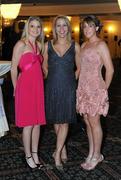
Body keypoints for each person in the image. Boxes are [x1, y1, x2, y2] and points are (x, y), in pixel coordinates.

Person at [43, 15, 81, 170]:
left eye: (64, 25)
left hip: (68, 87)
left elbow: (79, 68)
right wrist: (50, 78)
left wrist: (72, 81)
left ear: (68, 28)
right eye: (58, 25)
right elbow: (44, 66)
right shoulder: (47, 45)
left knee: (65, 120)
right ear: (54, 28)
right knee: (57, 120)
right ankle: (63, 147)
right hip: (52, 86)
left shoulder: (75, 45)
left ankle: (57, 153)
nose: (61, 29)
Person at [76, 15, 114, 171]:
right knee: (87, 121)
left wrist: (104, 88)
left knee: (94, 122)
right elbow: (81, 68)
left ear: (97, 28)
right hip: (83, 88)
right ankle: (91, 152)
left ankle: (97, 155)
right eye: (84, 27)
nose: (87, 29)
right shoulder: (84, 45)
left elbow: (110, 69)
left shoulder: (101, 45)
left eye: (90, 26)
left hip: (95, 89)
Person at [11, 16, 46, 169]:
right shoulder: (21, 44)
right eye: (32, 26)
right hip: (25, 88)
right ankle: (28, 155)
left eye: (38, 27)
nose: (35, 29)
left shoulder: (39, 45)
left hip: (38, 87)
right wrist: (15, 88)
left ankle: (35, 152)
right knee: (29, 124)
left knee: (38, 123)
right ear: (27, 28)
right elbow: (13, 69)